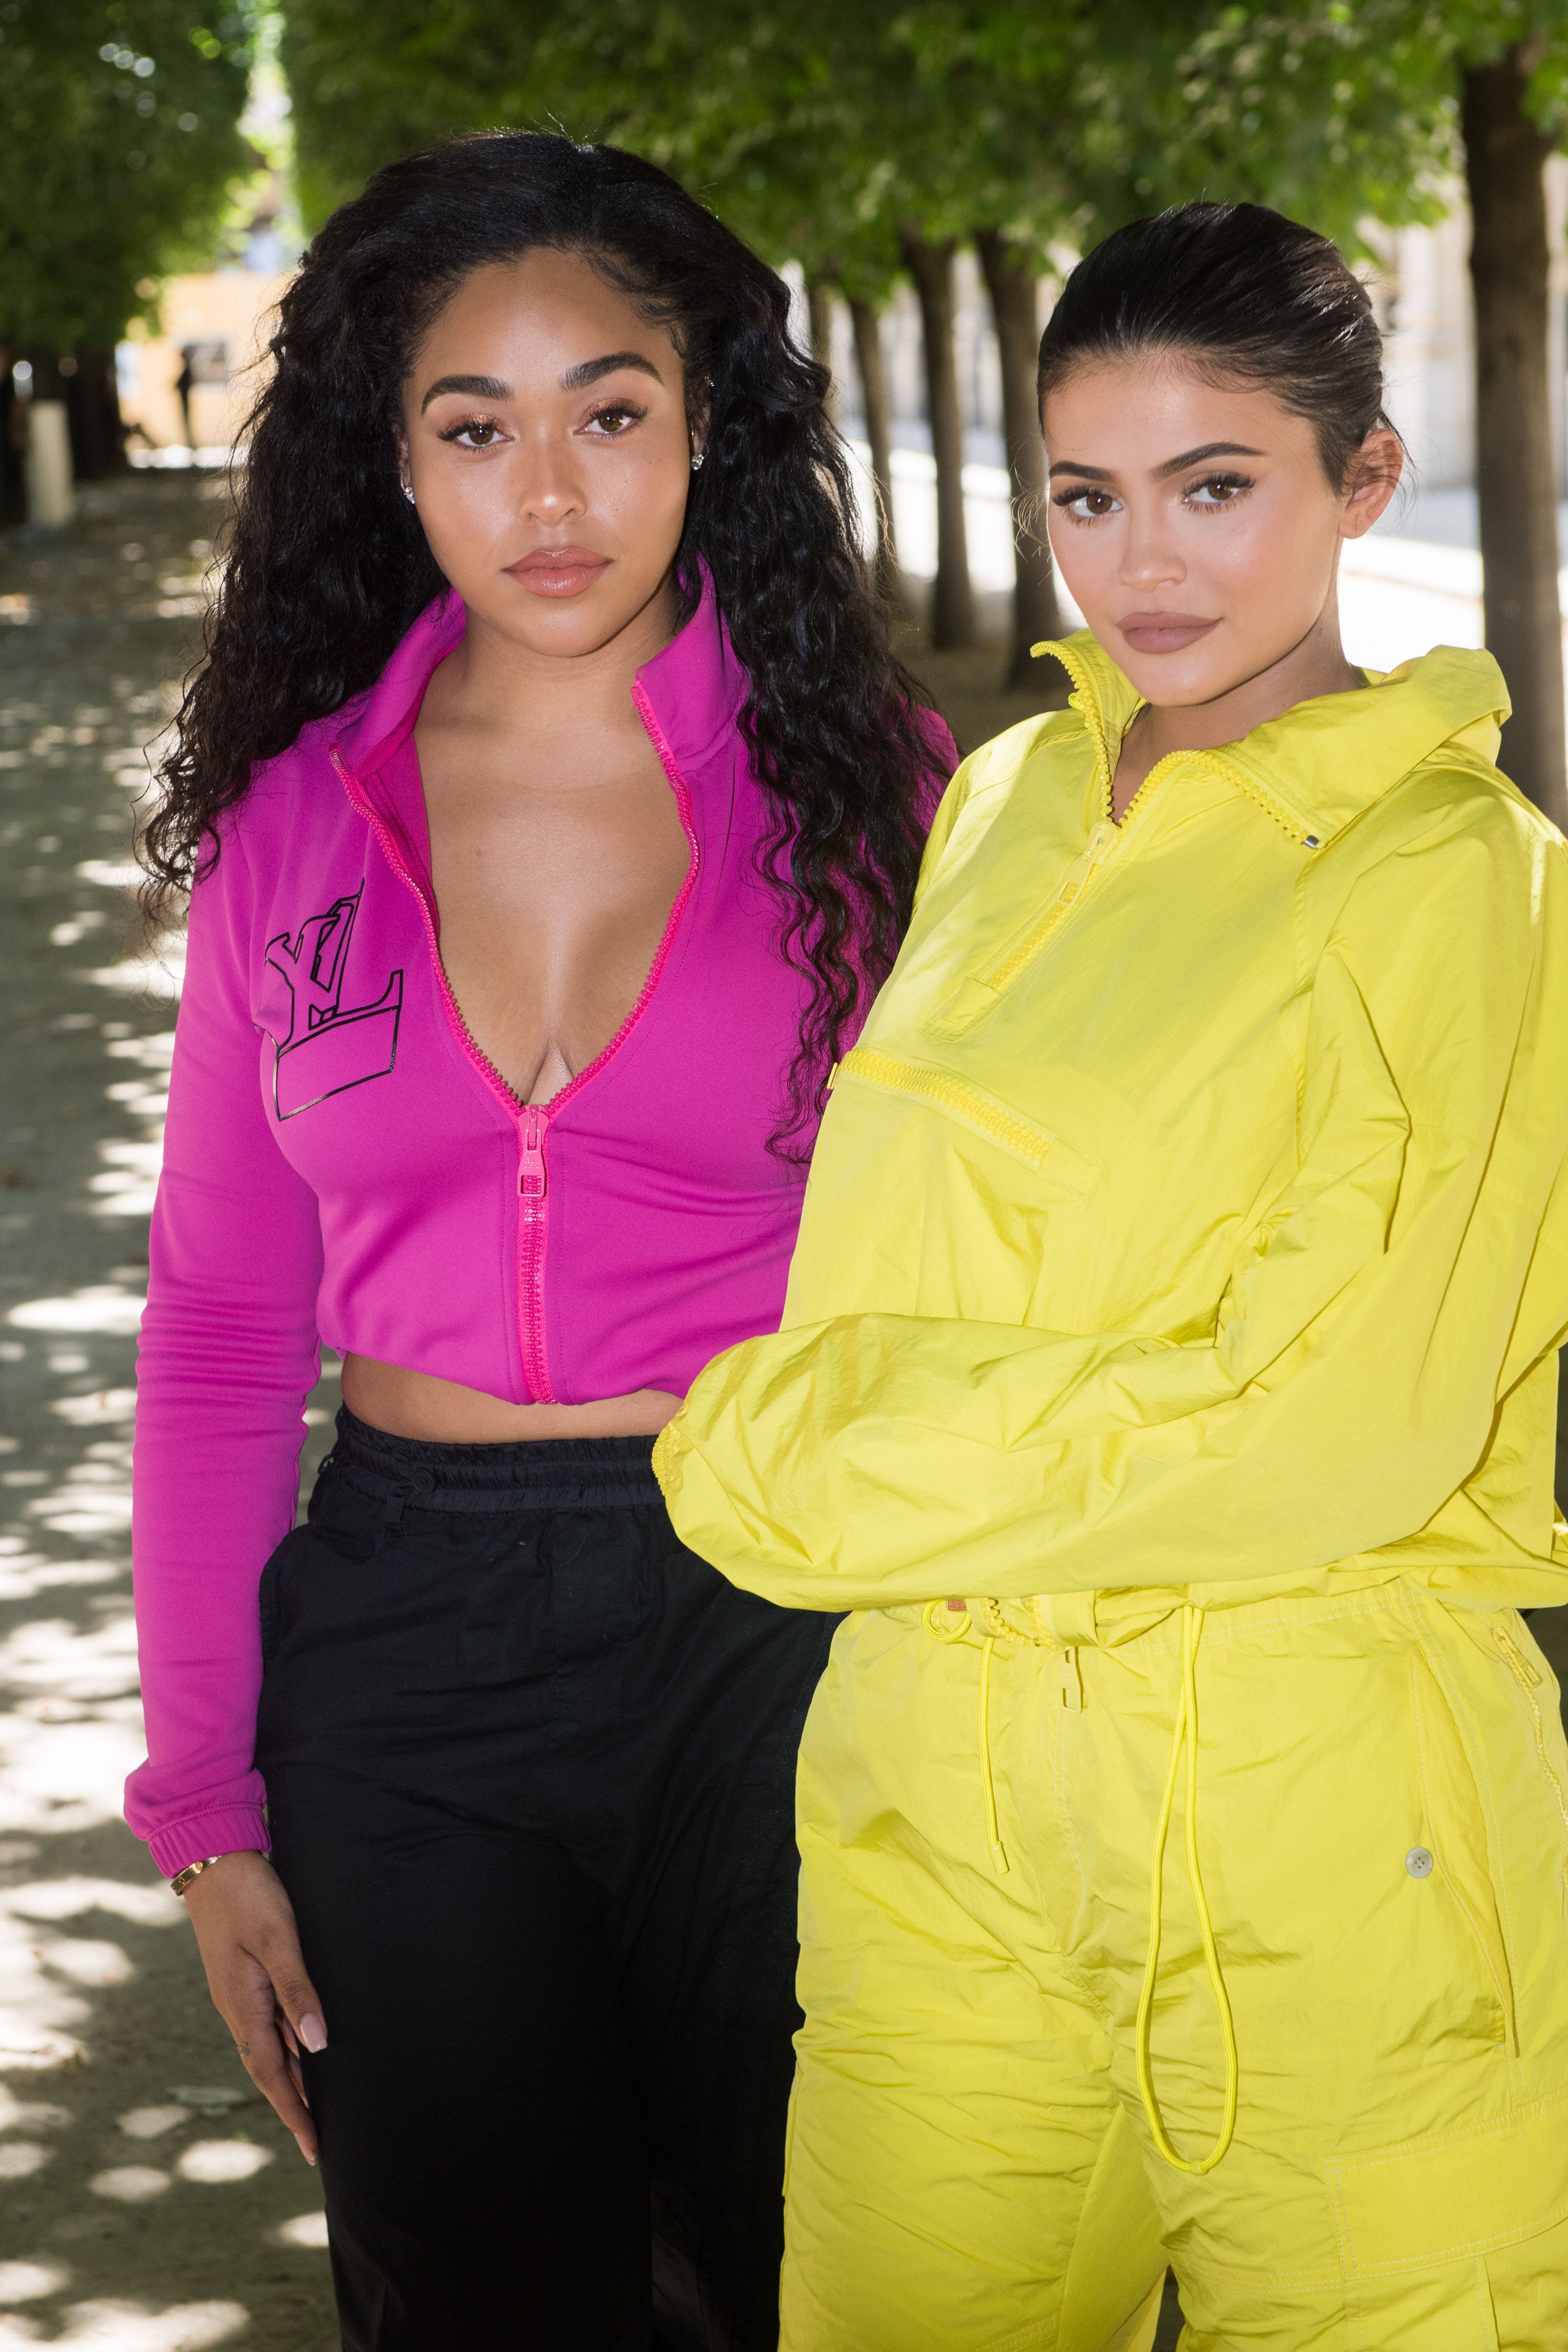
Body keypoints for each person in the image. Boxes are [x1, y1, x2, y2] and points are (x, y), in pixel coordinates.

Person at [655, 201, 1568, 2350]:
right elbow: (888, 1274)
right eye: (1088, 493)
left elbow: (1330, 1416)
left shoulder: (1474, 891)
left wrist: (792, 1462)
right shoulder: (1000, 802)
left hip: (1322, 1835)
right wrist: (843, 1429)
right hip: (930, 1822)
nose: (1141, 564)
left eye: (1216, 486)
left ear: (1362, 481)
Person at [128, 131, 949, 2352]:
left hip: (782, 1610)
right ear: (390, 464)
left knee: (825, 2283)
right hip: (405, 1647)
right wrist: (203, 1802)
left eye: (610, 412)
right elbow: (217, 1327)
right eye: (475, 432)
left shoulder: (891, 800)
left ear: (710, 427)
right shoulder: (295, 824)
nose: (551, 493)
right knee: (478, 2297)